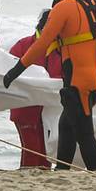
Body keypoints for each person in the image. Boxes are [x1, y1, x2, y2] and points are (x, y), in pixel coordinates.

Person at [4, 0, 96, 171]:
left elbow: (41, 44)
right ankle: (62, 171)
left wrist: (15, 70)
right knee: (66, 126)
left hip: (80, 82)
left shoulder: (63, 7)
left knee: (84, 133)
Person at [9, 9, 62, 168]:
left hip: (50, 111)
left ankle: (41, 185)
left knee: (47, 155)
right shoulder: (23, 45)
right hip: (25, 109)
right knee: (32, 152)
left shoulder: (61, 48)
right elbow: (8, 73)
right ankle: (26, 183)